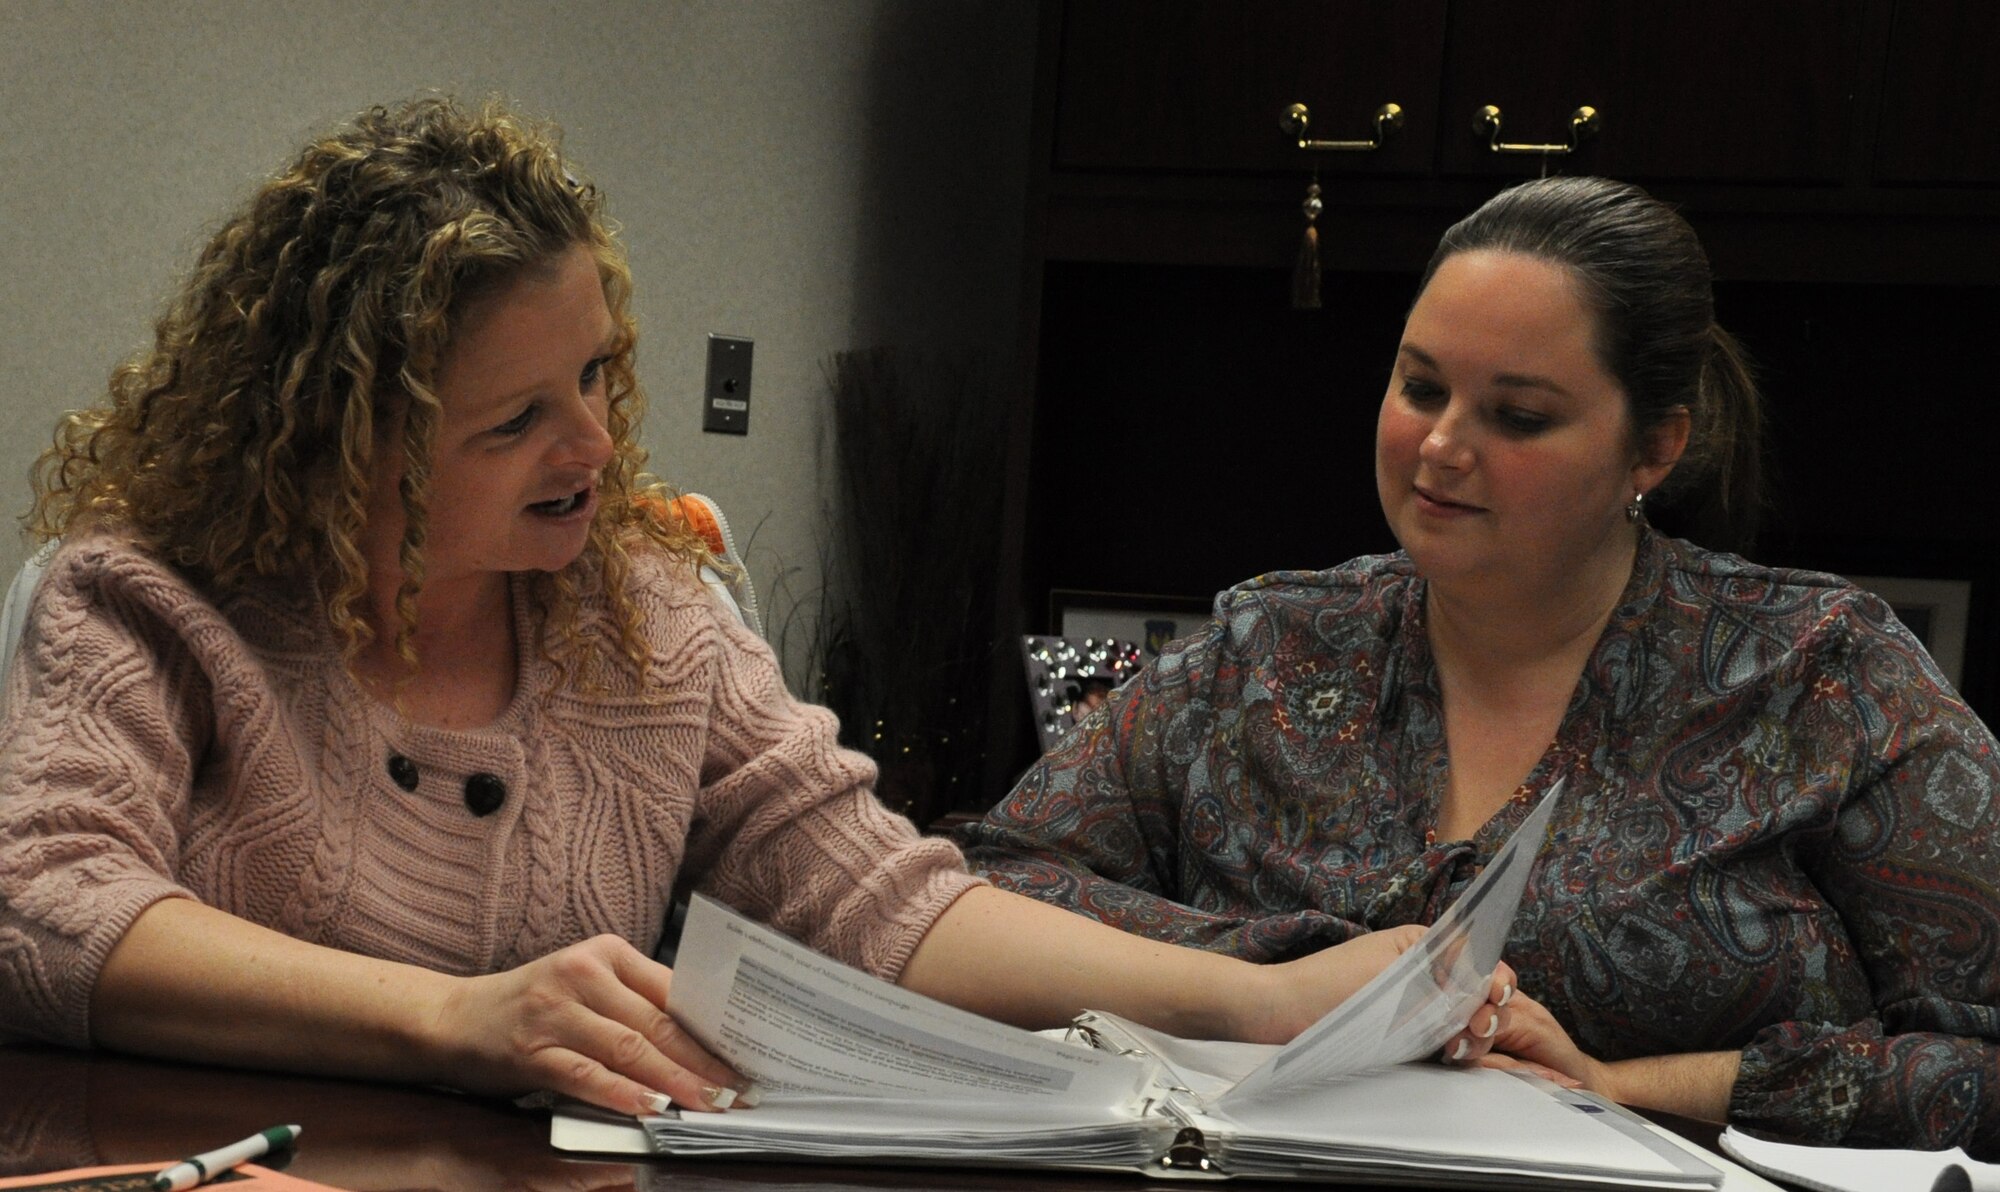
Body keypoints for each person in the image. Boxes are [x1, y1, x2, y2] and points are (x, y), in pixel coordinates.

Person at [0, 95, 1519, 1121]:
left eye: (596, 375)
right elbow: (43, 910)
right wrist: (448, 1022)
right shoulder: (143, 603)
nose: (596, 444)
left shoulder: (648, 622)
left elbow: (879, 905)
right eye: (516, 417)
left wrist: (1257, 1002)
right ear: (352, 439)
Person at [959, 175, 2000, 1154]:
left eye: (1517, 416)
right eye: (1419, 386)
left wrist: (1623, 1080)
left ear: (1653, 449)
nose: (1440, 446)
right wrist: (1288, 977)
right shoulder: (1265, 650)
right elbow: (985, 894)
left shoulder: (1825, 674)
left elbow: (1980, 1062)